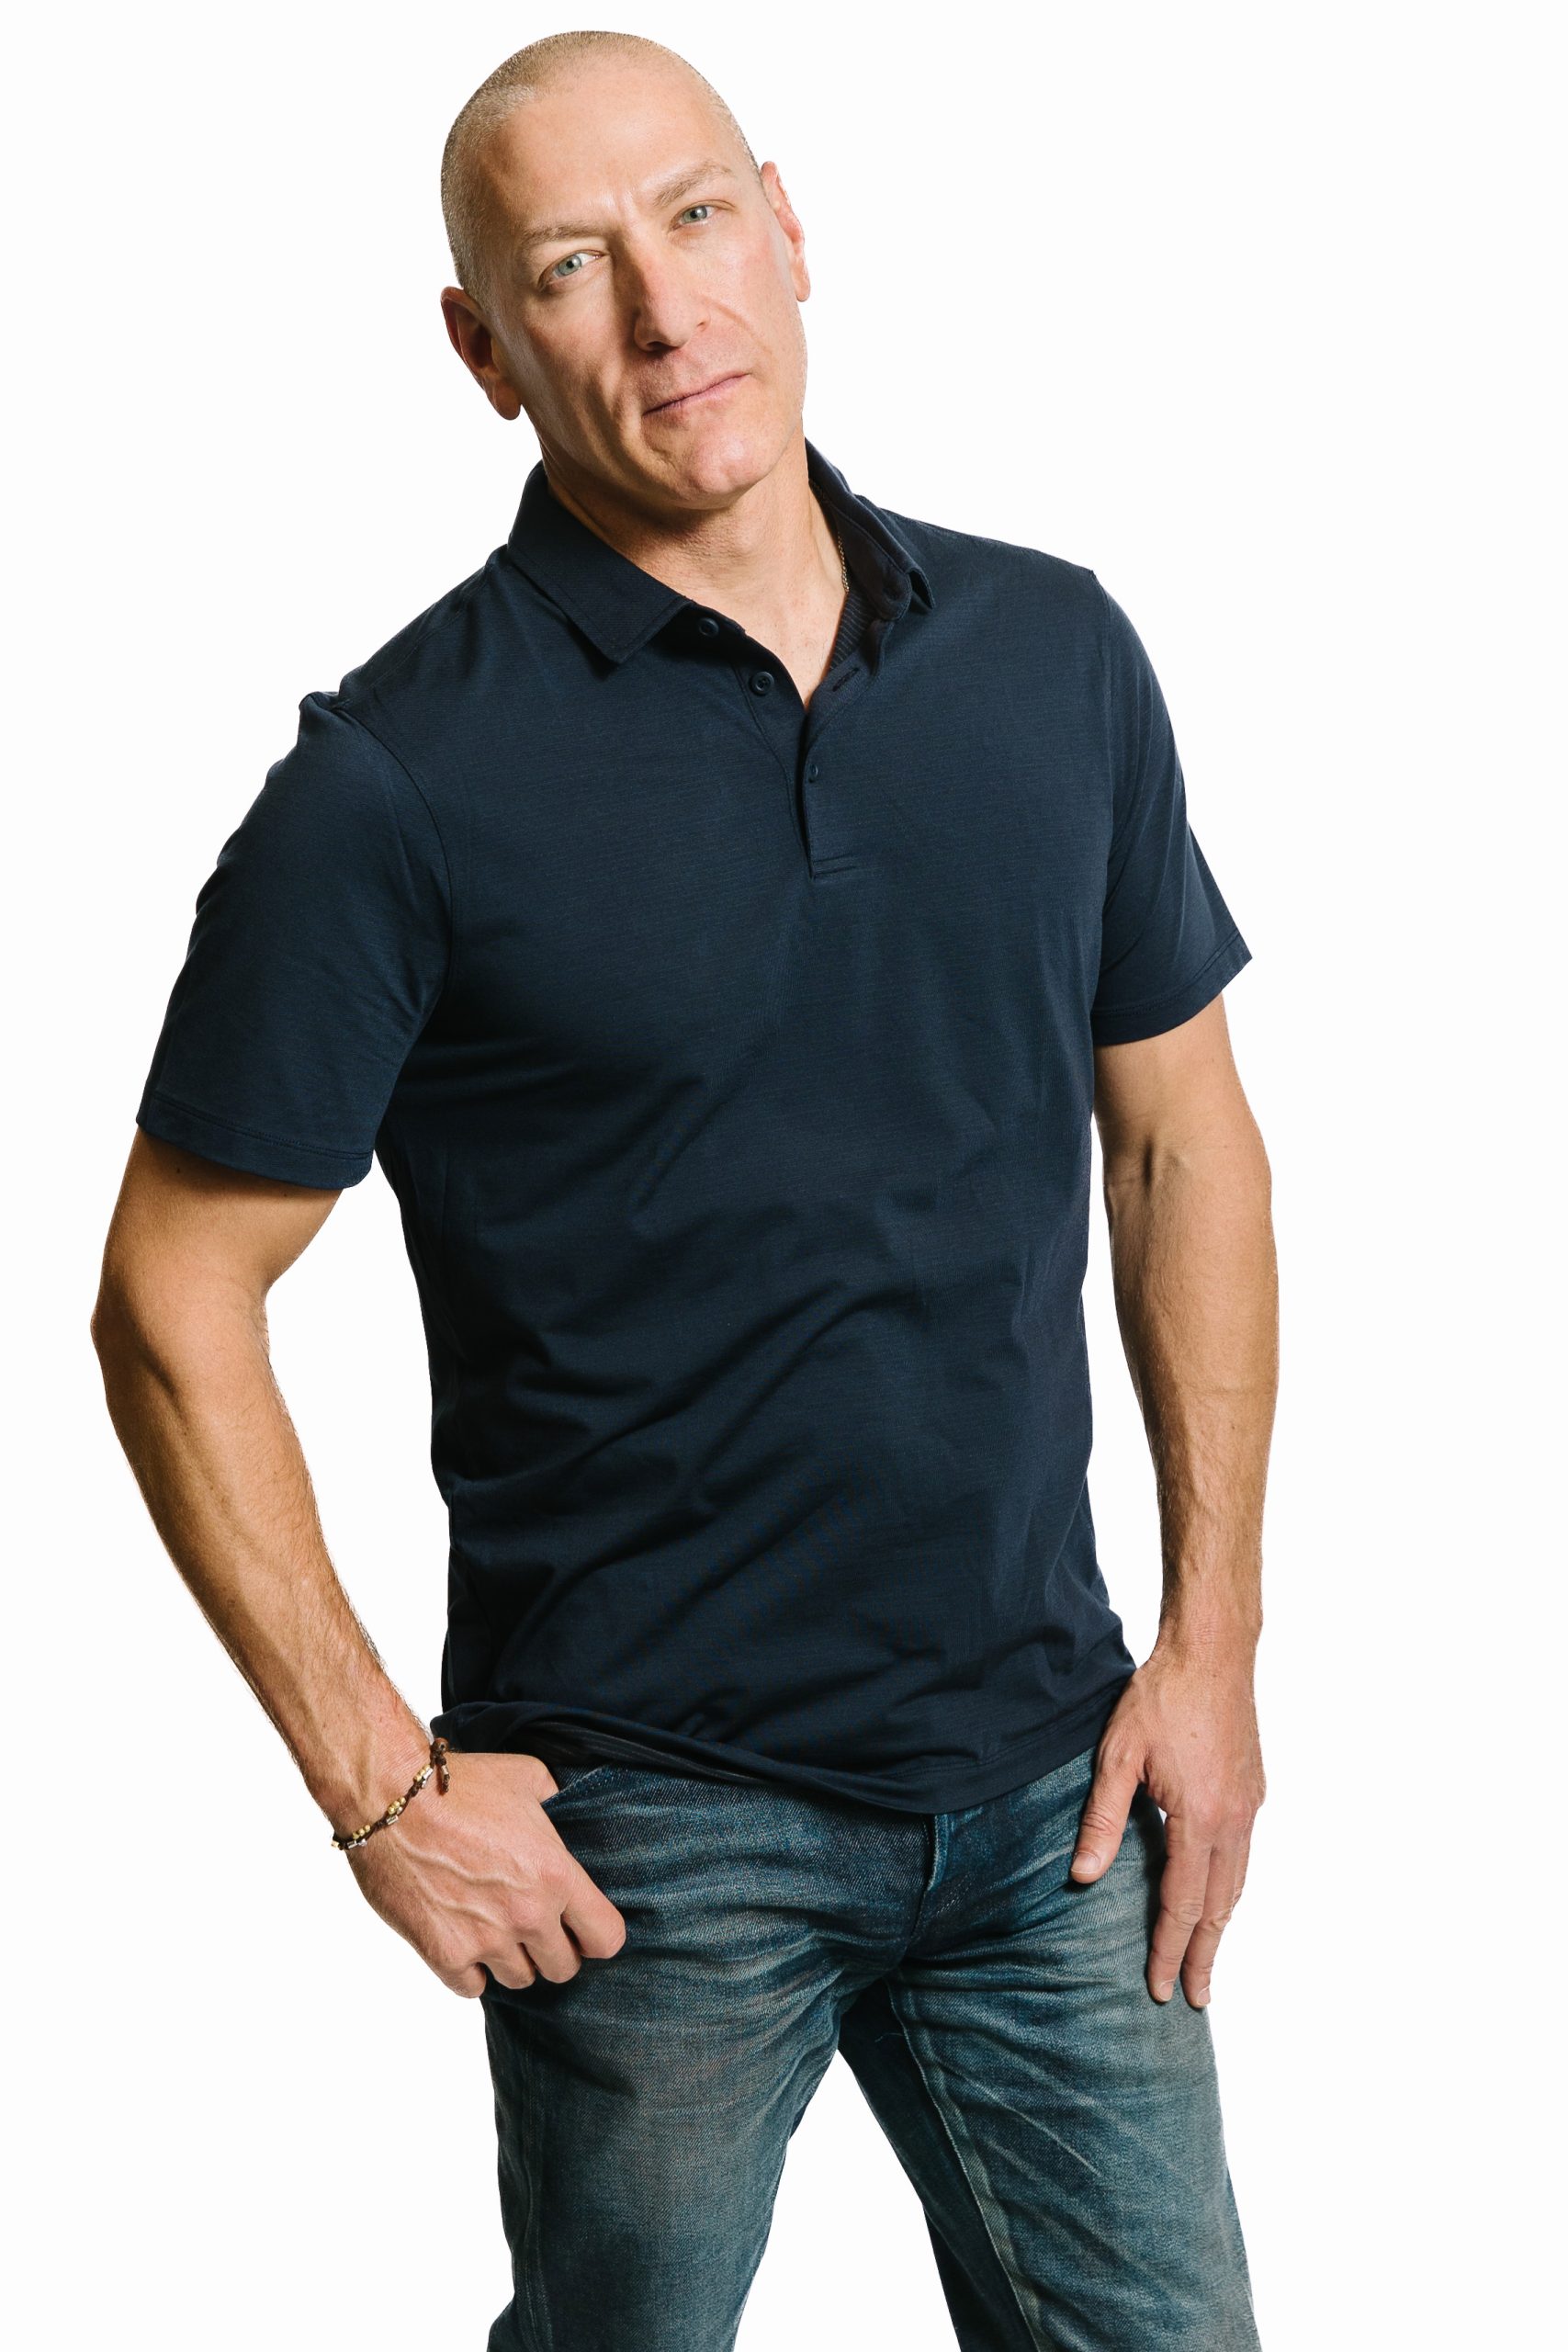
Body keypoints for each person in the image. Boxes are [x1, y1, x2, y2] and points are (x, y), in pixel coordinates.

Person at [92, 28, 1275, 2350]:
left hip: (1054, 1780)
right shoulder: (393, 787)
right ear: (483, 351)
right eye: (567, 266)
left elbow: (1179, 1136)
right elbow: (169, 1295)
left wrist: (1209, 1641)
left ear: (789, 226)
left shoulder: (1050, 654)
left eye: (697, 215)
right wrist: (376, 1785)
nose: (660, 308)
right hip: (647, 1835)